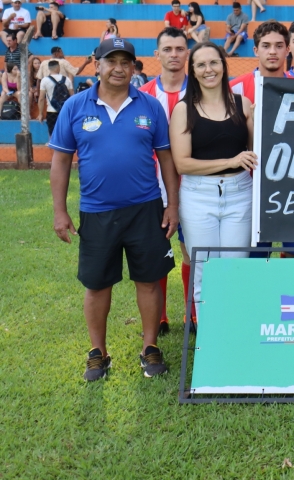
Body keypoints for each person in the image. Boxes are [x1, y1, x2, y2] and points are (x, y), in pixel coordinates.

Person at [50, 37, 178, 381]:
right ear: (97, 65)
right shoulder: (76, 106)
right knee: (97, 284)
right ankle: (98, 352)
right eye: (111, 61)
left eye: (126, 62)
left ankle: (149, 347)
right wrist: (59, 212)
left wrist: (173, 206)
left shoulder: (150, 106)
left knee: (150, 281)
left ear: (134, 67)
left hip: (146, 209)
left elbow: (166, 159)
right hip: (97, 211)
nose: (119, 68)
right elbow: (60, 161)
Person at [171, 41, 256, 312]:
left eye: (214, 62)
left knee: (236, 268)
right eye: (201, 64)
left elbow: (256, 153)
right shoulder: (184, 110)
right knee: (204, 271)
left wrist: (258, 120)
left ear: (223, 65)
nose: (209, 69)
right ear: (193, 71)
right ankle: (208, 341)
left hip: (240, 193)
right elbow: (183, 164)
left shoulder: (243, 105)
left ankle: (233, 337)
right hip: (199, 196)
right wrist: (230, 161)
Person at [140, 27, 191, 333]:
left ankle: (192, 313)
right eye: (168, 49)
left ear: (188, 53)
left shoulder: (201, 90)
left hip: (195, 188)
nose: (174, 54)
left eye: (180, 49)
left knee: (190, 251)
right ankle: (159, 315)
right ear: (156, 54)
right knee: (156, 252)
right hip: (152, 190)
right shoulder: (143, 95)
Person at [230, 20, 292, 105]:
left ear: (287, 50)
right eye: (266, 46)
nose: (272, 52)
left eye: (279, 46)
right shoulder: (234, 88)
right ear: (256, 51)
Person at [38, 59, 73, 136]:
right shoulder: (67, 79)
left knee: (52, 134)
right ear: (58, 68)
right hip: (65, 111)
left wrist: (40, 113)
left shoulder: (44, 80)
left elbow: (41, 99)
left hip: (51, 111)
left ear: (49, 68)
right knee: (65, 133)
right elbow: (72, 97)